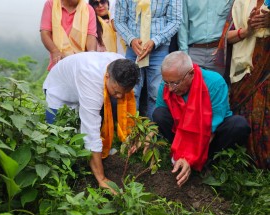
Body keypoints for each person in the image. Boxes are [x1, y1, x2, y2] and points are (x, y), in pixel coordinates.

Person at [43, 52, 140, 192]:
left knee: (83, 132)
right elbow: (91, 134)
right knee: (59, 144)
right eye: (116, 91)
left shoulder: (123, 66)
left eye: (124, 93)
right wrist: (102, 179)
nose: (119, 97)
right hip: (59, 93)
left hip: (80, 85)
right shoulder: (91, 80)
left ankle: (95, 158)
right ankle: (62, 185)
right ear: (107, 77)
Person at [152, 51, 251, 187]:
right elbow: (159, 115)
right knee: (159, 114)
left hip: (208, 135)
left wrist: (189, 158)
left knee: (238, 125)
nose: (170, 89)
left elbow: (209, 129)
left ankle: (209, 162)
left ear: (191, 74)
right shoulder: (168, 84)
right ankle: (175, 156)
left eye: (175, 83)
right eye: (166, 82)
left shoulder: (214, 83)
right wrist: (147, 138)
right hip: (181, 131)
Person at [217, 0, 270, 169]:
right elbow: (225, 38)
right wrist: (248, 30)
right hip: (243, 70)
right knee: (246, 114)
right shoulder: (239, 3)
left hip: (266, 66)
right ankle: (247, 168)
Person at [114, 0, 182, 120]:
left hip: (159, 48)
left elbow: (175, 20)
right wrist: (131, 40)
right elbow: (119, 21)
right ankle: (130, 134)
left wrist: (155, 41)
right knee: (130, 92)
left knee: (157, 94)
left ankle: (152, 135)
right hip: (133, 49)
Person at [178, 0, 234, 76]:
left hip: (219, 52)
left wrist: (222, 49)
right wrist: (184, 55)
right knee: (193, 86)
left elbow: (233, 21)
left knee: (218, 85)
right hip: (194, 53)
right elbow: (183, 26)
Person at [40, 0, 97, 70]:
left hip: (80, 64)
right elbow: (45, 33)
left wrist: (92, 57)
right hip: (58, 62)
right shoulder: (51, 4)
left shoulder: (88, 10)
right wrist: (55, 51)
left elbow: (91, 36)